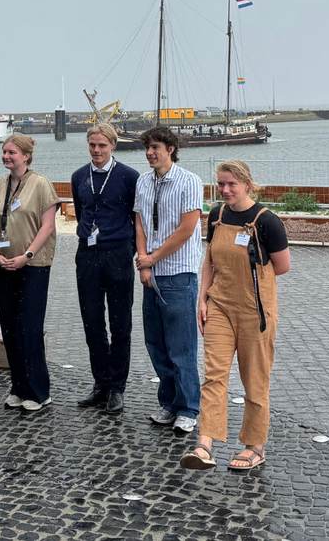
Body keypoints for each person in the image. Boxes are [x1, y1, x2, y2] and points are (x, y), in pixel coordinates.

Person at [180, 160, 290, 471]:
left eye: (231, 184)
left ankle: (255, 446)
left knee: (255, 380)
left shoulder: (267, 222)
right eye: (221, 184)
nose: (225, 190)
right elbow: (209, 261)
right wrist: (202, 299)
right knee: (214, 375)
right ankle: (204, 443)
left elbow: (282, 266)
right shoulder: (216, 215)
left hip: (255, 312)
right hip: (219, 307)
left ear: (247, 185)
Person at [134, 126, 203, 436]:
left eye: (156, 147)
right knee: (156, 344)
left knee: (181, 347)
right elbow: (139, 222)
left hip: (178, 273)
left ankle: (189, 407)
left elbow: (187, 229)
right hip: (152, 273)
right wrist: (143, 261)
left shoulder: (189, 181)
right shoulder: (143, 181)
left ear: (171, 149)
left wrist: (154, 257)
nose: (151, 153)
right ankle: (170, 402)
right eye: (148, 147)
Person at [0, 134, 59, 412]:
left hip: (33, 266)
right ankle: (18, 386)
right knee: (10, 328)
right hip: (2, 264)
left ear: (26, 156)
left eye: (12, 152)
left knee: (29, 328)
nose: (6, 156)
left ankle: (39, 391)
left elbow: (48, 226)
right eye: (4, 152)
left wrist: (26, 256)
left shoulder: (40, 185)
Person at [70, 123, 139, 414]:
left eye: (102, 146)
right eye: (92, 145)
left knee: (120, 324)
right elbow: (80, 208)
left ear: (113, 145)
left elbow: (137, 218)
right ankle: (101, 383)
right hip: (87, 255)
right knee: (93, 324)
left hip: (118, 254)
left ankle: (118, 387)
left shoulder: (129, 177)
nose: (97, 151)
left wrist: (129, 249)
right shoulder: (78, 177)